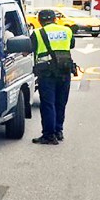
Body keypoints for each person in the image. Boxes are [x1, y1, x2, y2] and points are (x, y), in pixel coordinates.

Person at [30, 9, 75, 145]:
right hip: (65, 71)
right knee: (61, 103)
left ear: (39, 21)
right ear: (55, 19)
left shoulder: (37, 33)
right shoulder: (67, 31)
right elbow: (71, 45)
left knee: (48, 104)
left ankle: (49, 135)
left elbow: (28, 50)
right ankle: (58, 131)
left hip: (47, 73)